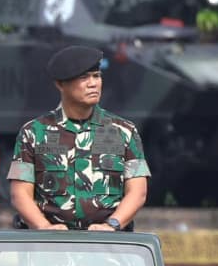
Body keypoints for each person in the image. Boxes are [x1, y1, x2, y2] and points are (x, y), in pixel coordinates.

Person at [8, 45, 149, 231]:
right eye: (84, 78)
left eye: (96, 76)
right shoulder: (33, 132)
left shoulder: (123, 131)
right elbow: (20, 194)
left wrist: (112, 225)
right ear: (60, 84)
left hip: (108, 244)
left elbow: (138, 191)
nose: (93, 83)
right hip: (50, 246)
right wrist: (44, 227)